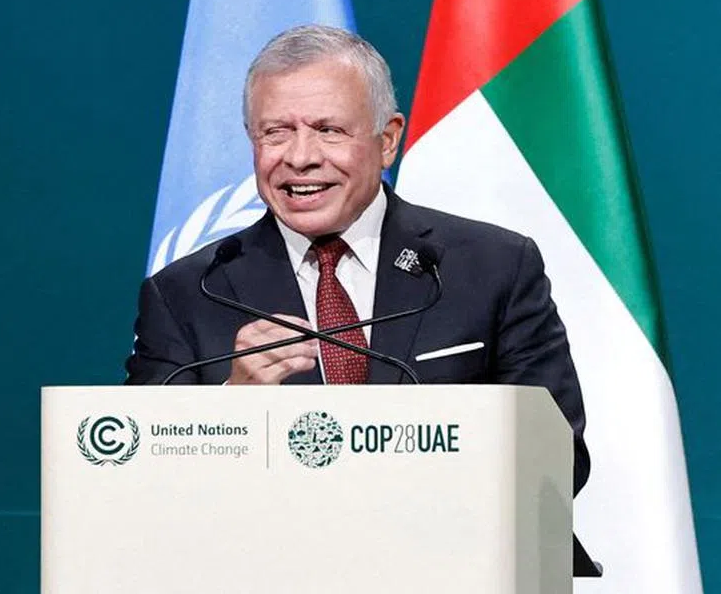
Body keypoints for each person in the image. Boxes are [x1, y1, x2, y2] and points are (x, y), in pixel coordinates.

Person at [124, 24, 589, 492]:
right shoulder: (186, 294)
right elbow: (143, 476)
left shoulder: (494, 268)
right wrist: (233, 407)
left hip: (444, 555)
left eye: (329, 130)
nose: (300, 157)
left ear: (387, 140)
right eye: (276, 133)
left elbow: (560, 458)